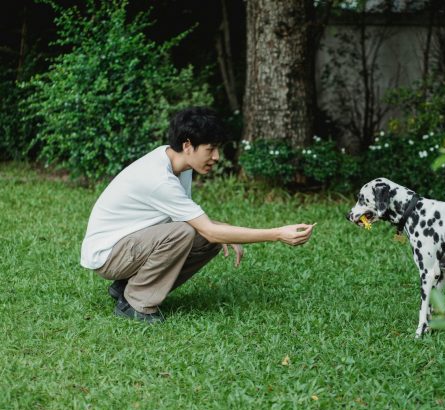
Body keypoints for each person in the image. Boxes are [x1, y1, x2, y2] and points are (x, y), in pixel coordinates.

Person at [80, 107, 315, 323]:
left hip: (129, 245)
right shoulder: (159, 179)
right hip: (108, 255)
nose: (216, 157)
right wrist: (277, 234)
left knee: (208, 237)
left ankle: (126, 287)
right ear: (188, 146)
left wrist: (224, 232)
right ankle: (134, 303)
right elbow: (200, 227)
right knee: (190, 232)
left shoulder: (177, 164)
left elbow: (195, 222)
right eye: (210, 149)